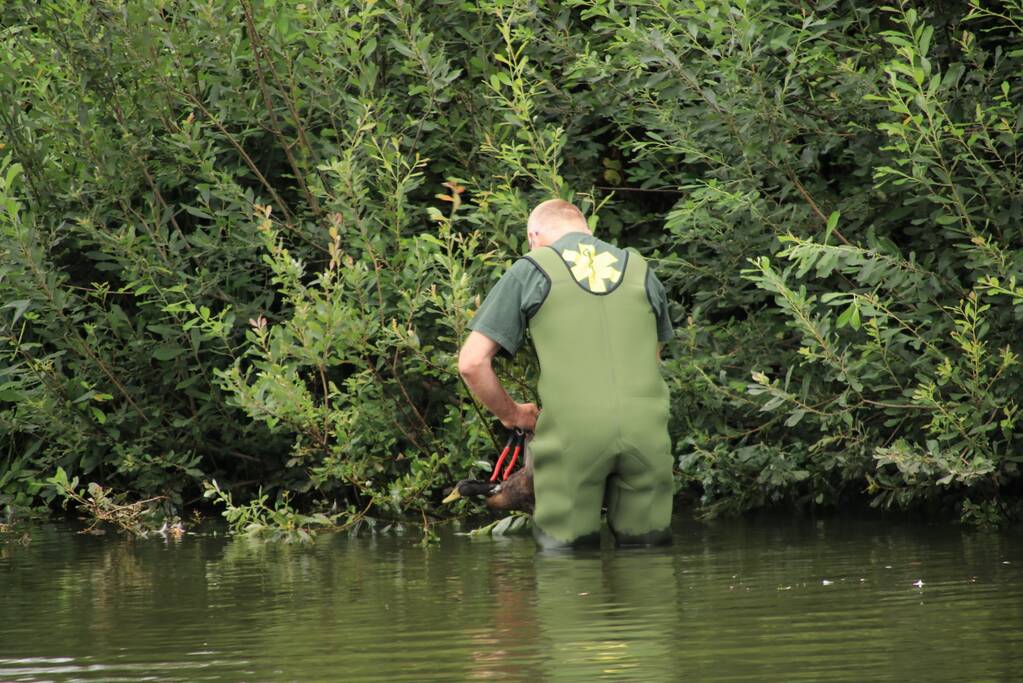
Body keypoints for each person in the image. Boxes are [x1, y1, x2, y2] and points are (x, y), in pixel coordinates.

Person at [457, 199, 675, 548]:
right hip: (647, 431)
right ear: (587, 230)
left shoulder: (532, 268)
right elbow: (652, 358)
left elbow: (471, 362)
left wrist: (513, 415)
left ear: (533, 236)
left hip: (574, 436)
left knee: (567, 562)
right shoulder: (639, 268)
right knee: (649, 554)